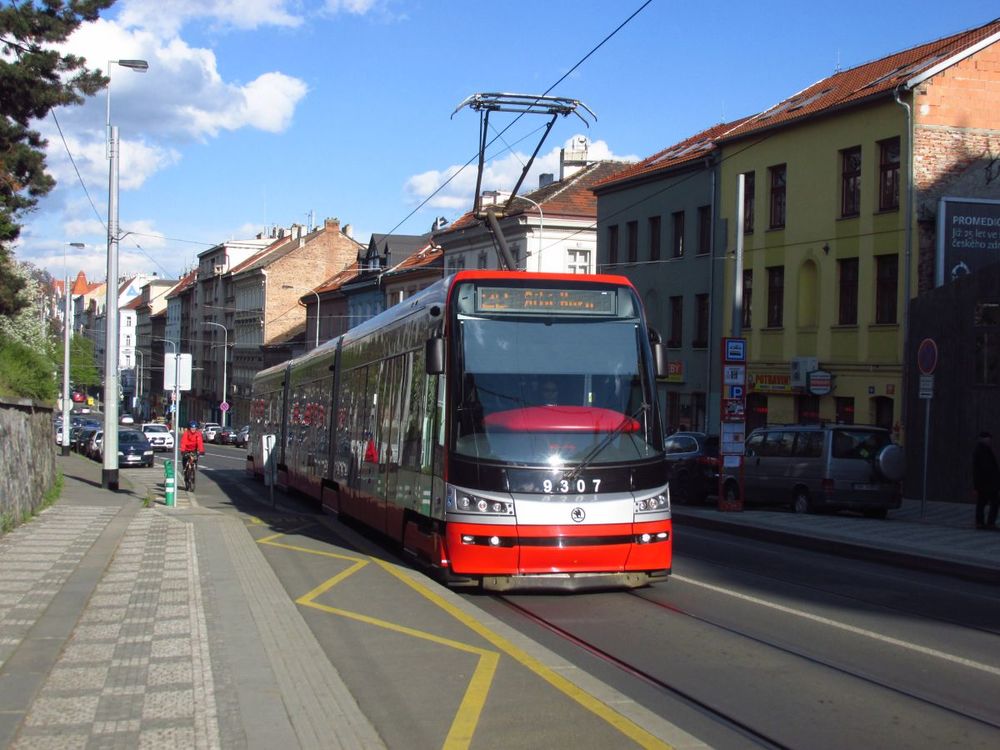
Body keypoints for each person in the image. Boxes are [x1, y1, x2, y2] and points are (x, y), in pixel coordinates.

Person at [972, 431, 999, 530]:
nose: (989, 440)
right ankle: (987, 523)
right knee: (992, 503)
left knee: (983, 503)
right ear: (983, 439)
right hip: (987, 483)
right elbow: (981, 469)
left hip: (986, 483)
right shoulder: (981, 451)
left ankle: (982, 523)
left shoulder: (984, 450)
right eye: (988, 438)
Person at [179, 421, 205, 490]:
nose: (193, 429)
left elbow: (200, 443)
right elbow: (183, 442)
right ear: (189, 428)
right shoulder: (186, 433)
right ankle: (185, 471)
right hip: (186, 450)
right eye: (191, 428)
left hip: (194, 450)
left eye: (194, 428)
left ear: (196, 428)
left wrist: (201, 451)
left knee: (194, 459)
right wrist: (183, 451)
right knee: (185, 461)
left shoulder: (198, 434)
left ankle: (193, 470)